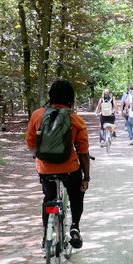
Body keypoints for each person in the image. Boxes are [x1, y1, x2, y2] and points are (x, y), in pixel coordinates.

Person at [26, 78, 90, 250]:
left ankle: (46, 236)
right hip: (70, 169)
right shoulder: (75, 119)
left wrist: (37, 156)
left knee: (49, 198)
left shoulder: (37, 115)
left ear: (51, 95)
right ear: (70, 97)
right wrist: (86, 178)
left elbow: (31, 142)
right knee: (77, 195)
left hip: (45, 168)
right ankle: (75, 227)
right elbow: (83, 151)